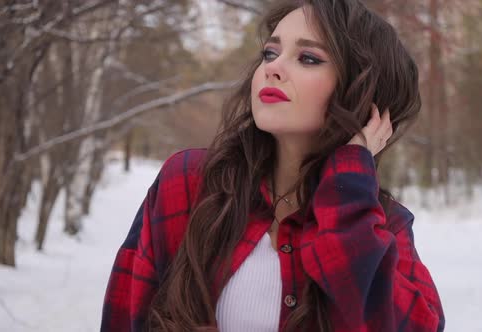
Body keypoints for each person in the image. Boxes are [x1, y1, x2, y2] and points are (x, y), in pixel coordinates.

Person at [100, 0, 445, 331]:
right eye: (270, 52)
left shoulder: (382, 224)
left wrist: (348, 189)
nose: (272, 68)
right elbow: (124, 316)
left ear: (363, 94)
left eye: (308, 58)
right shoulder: (188, 183)